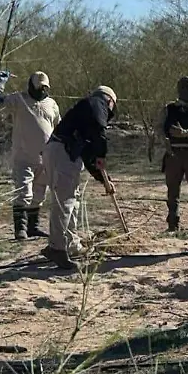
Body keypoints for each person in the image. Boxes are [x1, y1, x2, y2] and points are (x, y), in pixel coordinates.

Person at [42, 86, 118, 269]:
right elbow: (100, 134)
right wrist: (102, 154)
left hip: (60, 151)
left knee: (70, 200)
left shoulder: (85, 115)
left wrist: (103, 179)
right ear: (109, 101)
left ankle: (70, 244)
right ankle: (57, 249)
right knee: (65, 201)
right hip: (62, 152)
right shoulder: (97, 103)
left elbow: (88, 155)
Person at [0, 71, 62, 240]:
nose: (41, 90)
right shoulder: (18, 100)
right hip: (23, 157)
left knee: (39, 194)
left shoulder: (51, 104)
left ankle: (33, 227)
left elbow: (58, 125)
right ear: (31, 86)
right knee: (24, 192)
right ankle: (20, 229)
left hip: (46, 158)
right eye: (38, 87)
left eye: (44, 87)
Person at [161, 76, 188, 233]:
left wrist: (185, 133)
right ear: (181, 90)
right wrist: (166, 142)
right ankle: (173, 223)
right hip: (173, 154)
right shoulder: (169, 108)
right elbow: (161, 129)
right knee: (172, 192)